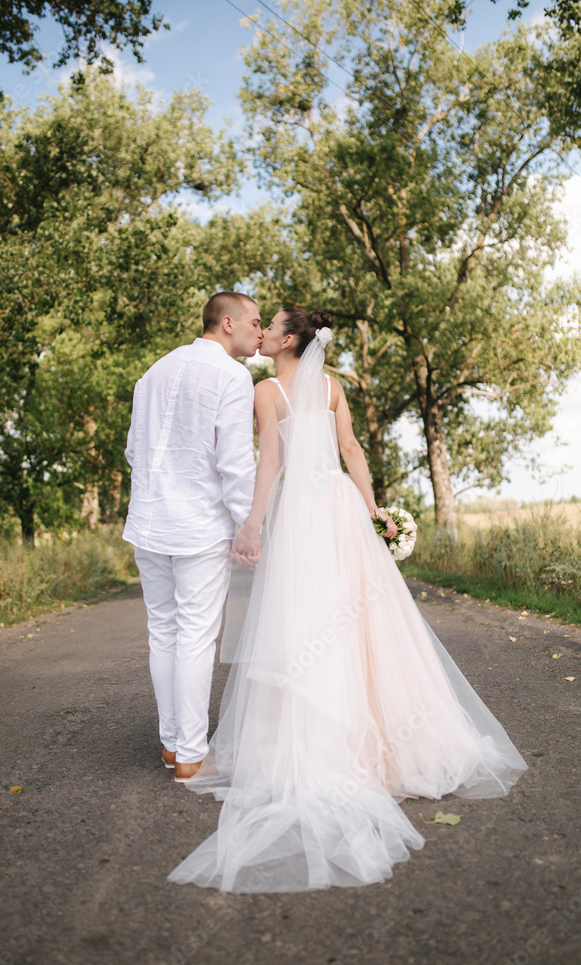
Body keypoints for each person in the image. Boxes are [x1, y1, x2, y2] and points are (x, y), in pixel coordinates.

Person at [168, 308, 528, 892]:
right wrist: (373, 513)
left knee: (302, 619)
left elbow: (270, 464)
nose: (263, 332)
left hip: (299, 512)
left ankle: (317, 741)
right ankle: (388, 746)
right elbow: (353, 450)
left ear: (288, 340)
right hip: (338, 507)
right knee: (361, 620)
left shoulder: (266, 393)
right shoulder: (333, 387)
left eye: (271, 326)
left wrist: (253, 523)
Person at [123, 291, 263, 783]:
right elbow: (235, 463)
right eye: (255, 321)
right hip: (199, 524)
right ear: (228, 323)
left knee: (163, 631)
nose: (260, 331)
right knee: (196, 638)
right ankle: (191, 754)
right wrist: (250, 527)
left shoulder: (154, 371)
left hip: (148, 519)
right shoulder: (233, 376)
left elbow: (133, 449)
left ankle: (171, 745)